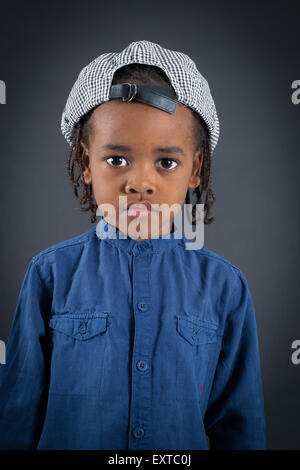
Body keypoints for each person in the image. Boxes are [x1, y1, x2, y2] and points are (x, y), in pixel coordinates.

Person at [0, 40, 266, 450]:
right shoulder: (49, 274)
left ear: (195, 169)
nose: (140, 182)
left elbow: (239, 424)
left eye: (166, 162)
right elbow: (18, 412)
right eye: (117, 160)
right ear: (86, 163)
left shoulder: (225, 287)